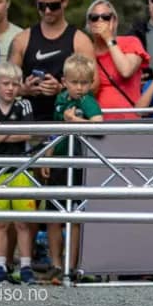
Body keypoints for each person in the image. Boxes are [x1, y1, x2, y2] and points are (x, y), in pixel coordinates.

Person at [44, 53, 103, 283]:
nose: (79, 88)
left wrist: (76, 122)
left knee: (75, 215)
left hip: (79, 163)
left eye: (84, 83)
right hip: (59, 160)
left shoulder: (87, 101)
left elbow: (98, 125)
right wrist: (48, 155)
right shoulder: (60, 99)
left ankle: (71, 264)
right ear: (65, 81)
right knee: (53, 214)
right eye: (75, 82)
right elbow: (55, 129)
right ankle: (55, 263)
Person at [9, 0, 97, 123]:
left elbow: (94, 84)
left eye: (53, 5)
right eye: (42, 6)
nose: (48, 11)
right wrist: (25, 88)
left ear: (65, 2)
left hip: (67, 125)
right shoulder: (21, 40)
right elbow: (5, 83)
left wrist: (63, 89)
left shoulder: (80, 41)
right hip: (29, 126)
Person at [0, 62, 36, 285]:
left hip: (22, 170)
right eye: (6, 84)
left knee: (23, 222)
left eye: (15, 84)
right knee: (0, 223)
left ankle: (25, 266)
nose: (10, 88)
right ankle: (1, 265)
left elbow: (27, 133)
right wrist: (8, 132)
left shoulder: (25, 105)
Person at [86, 0, 149, 119]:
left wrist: (109, 39)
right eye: (94, 17)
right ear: (89, 24)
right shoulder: (87, 51)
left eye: (105, 17)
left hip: (128, 123)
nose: (100, 21)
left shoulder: (131, 42)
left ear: (114, 22)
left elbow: (126, 71)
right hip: (97, 124)